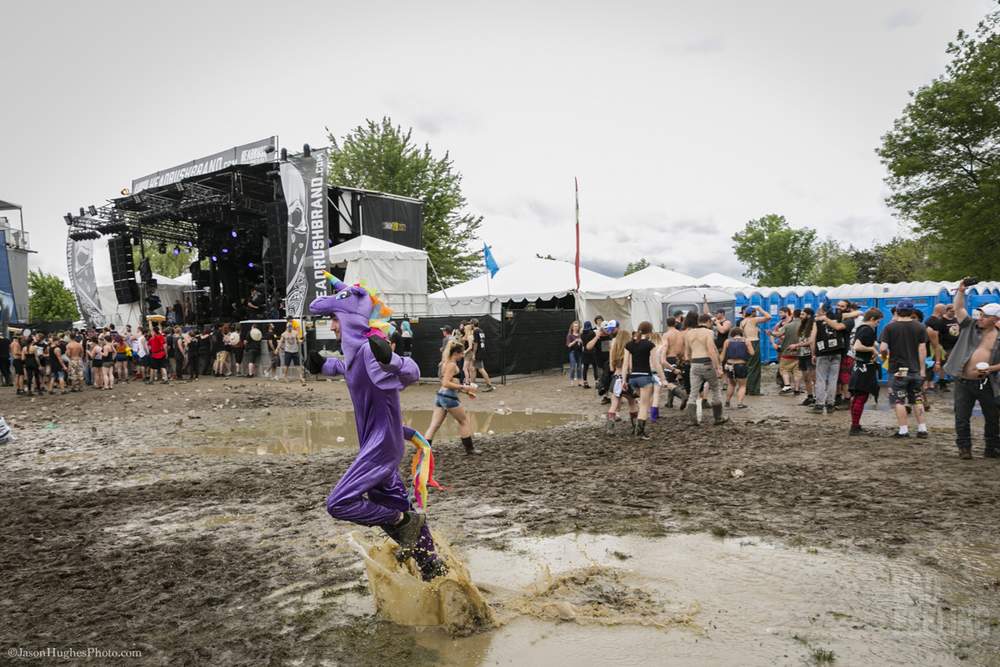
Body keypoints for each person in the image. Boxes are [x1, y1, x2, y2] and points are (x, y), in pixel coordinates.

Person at [306, 277, 448, 581]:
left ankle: (402, 521)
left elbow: (412, 371)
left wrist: (390, 358)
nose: (332, 326)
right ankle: (432, 566)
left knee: (339, 503)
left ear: (348, 319)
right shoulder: (357, 355)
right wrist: (322, 365)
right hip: (378, 442)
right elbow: (346, 369)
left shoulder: (370, 353)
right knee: (393, 504)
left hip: (382, 445)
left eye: (334, 319)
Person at [942, 283, 1000, 459]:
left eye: (985, 316)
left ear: (995, 319)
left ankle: (992, 448)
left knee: (992, 417)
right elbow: (959, 308)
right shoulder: (969, 326)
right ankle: (964, 448)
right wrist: (961, 291)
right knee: (961, 416)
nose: (980, 318)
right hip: (963, 381)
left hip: (987, 382)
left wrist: (991, 368)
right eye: (980, 315)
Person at [880, 299, 929, 438]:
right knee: (917, 399)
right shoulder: (920, 327)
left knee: (899, 401)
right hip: (915, 370)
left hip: (897, 370)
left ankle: (903, 430)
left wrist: (884, 357)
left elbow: (883, 348)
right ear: (912, 311)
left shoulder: (890, 327)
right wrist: (922, 370)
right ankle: (922, 429)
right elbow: (922, 349)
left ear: (897, 311)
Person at [424, 339, 480, 455]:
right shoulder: (452, 365)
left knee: (434, 425)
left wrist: (466, 392)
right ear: (455, 353)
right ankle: (470, 449)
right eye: (461, 353)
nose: (463, 355)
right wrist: (465, 387)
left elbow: (449, 382)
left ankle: (424, 450)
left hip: (440, 396)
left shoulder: (444, 363)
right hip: (449, 397)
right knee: (464, 421)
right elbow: (446, 383)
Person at [623, 321, 664, 440]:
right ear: (650, 332)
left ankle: (636, 427)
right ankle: (639, 432)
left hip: (633, 378)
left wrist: (624, 380)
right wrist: (663, 378)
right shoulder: (650, 345)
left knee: (640, 402)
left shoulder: (629, 344)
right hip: (645, 377)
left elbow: (625, 364)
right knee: (644, 405)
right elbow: (656, 364)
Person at [685, 313, 727, 425]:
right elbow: (711, 350)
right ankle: (718, 418)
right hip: (707, 363)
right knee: (715, 388)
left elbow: (687, 354)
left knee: (693, 392)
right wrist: (718, 367)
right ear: (708, 321)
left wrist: (692, 362)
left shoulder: (689, 333)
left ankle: (692, 420)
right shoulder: (709, 332)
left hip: (694, 364)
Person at [847, 309, 884, 435]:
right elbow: (857, 346)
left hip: (859, 366)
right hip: (863, 367)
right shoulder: (867, 329)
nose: (878, 324)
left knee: (858, 396)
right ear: (872, 319)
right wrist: (872, 350)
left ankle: (855, 425)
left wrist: (876, 347)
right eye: (878, 322)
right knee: (861, 396)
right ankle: (854, 427)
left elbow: (865, 342)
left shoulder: (861, 328)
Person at [810, 302, 849, 414]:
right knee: (833, 379)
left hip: (822, 353)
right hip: (837, 352)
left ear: (823, 311)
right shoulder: (838, 319)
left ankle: (819, 405)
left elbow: (812, 340)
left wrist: (813, 354)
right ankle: (830, 404)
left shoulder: (817, 321)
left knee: (821, 379)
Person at [605, 323, 639, 433]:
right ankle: (635, 427)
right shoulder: (629, 350)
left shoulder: (614, 349)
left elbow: (611, 367)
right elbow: (630, 366)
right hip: (627, 378)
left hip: (616, 377)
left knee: (614, 404)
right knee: (632, 402)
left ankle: (610, 428)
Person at [739, 305, 771, 396]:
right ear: (752, 313)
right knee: (755, 367)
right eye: (755, 312)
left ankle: (746, 388)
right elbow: (768, 317)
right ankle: (754, 390)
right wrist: (760, 309)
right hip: (754, 343)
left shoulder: (742, 322)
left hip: (745, 343)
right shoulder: (753, 320)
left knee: (748, 366)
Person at [722, 327, 753, 409]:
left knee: (731, 384)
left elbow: (723, 354)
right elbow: (752, 353)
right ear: (741, 333)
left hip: (729, 365)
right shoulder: (746, 341)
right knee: (742, 385)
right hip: (740, 365)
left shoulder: (727, 341)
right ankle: (740, 403)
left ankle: (727, 402)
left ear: (732, 334)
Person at [774, 308, 802, 394]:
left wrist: (770, 333)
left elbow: (777, 334)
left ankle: (787, 386)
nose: (780, 314)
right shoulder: (805, 325)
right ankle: (797, 389)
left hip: (787, 351)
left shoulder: (788, 325)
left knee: (784, 369)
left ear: (793, 315)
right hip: (800, 352)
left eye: (781, 312)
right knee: (797, 371)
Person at [469, 319, 495, 391]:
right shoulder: (481, 331)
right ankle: (472, 385)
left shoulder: (475, 331)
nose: (470, 325)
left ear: (473, 324)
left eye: (471, 324)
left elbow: (476, 343)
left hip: (478, 352)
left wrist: (474, 354)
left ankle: (489, 385)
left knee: (481, 369)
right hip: (481, 351)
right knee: (473, 368)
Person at [280, 318, 304, 384]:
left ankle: (301, 377)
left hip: (295, 351)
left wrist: (301, 341)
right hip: (288, 351)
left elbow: (298, 340)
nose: (290, 328)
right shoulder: (284, 334)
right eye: (288, 327)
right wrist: (277, 348)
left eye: (290, 326)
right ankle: (285, 376)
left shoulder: (295, 333)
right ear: (286, 327)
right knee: (286, 365)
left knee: (298, 365)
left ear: (292, 327)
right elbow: (281, 341)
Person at [580, 321, 599, 389]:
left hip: (585, 352)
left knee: (585, 368)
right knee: (595, 367)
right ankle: (596, 382)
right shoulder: (592, 333)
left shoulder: (582, 334)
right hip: (593, 352)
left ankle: (585, 382)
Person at [566, 321, 584, 387]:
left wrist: (581, 341)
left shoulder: (580, 335)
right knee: (573, 366)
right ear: (572, 327)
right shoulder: (570, 335)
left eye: (577, 326)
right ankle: (572, 380)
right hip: (572, 352)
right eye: (575, 326)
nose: (576, 327)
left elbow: (583, 344)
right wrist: (575, 341)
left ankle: (579, 381)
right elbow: (569, 345)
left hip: (579, 352)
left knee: (579, 367)